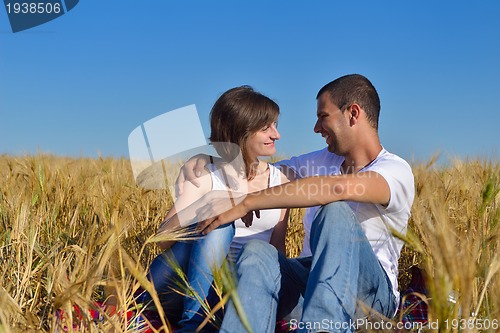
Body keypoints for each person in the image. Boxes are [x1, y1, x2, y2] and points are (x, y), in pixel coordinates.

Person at [179, 74, 415, 333]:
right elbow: (263, 174)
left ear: (353, 114)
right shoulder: (321, 160)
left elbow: (337, 188)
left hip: (370, 298)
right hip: (309, 283)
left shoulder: (395, 170)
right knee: (257, 252)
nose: (316, 128)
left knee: (334, 210)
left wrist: (246, 203)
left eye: (323, 116)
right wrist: (213, 161)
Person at [139, 85, 290, 332]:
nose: (277, 135)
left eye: (275, 125)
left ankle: (201, 321)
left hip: (238, 292)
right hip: (180, 286)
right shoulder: (204, 174)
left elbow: (278, 250)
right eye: (266, 128)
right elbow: (163, 240)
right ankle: (194, 324)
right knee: (220, 222)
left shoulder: (279, 182)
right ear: (240, 130)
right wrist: (209, 202)